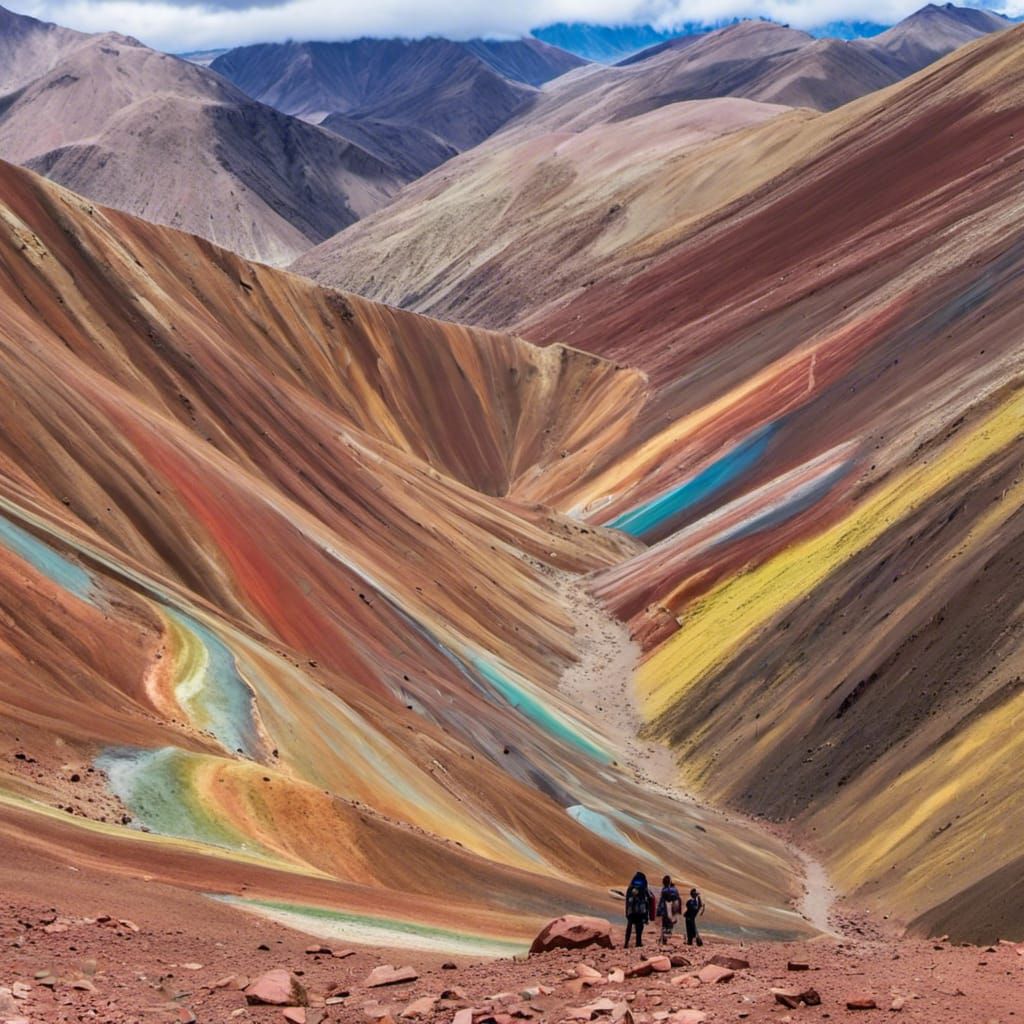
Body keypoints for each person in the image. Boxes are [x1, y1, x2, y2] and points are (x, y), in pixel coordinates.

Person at [623, 871, 650, 948]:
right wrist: (646, 915)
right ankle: (638, 942)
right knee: (639, 926)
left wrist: (627, 912)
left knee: (629, 926)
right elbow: (647, 899)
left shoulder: (631, 887)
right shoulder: (643, 886)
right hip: (640, 910)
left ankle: (626, 942)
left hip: (631, 909)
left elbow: (627, 900)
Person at [657, 875, 681, 945]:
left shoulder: (664, 890)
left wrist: (659, 911)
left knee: (664, 924)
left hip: (665, 909)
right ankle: (667, 937)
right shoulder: (675, 890)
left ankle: (663, 939)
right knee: (670, 924)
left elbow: (662, 901)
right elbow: (677, 900)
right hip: (673, 909)